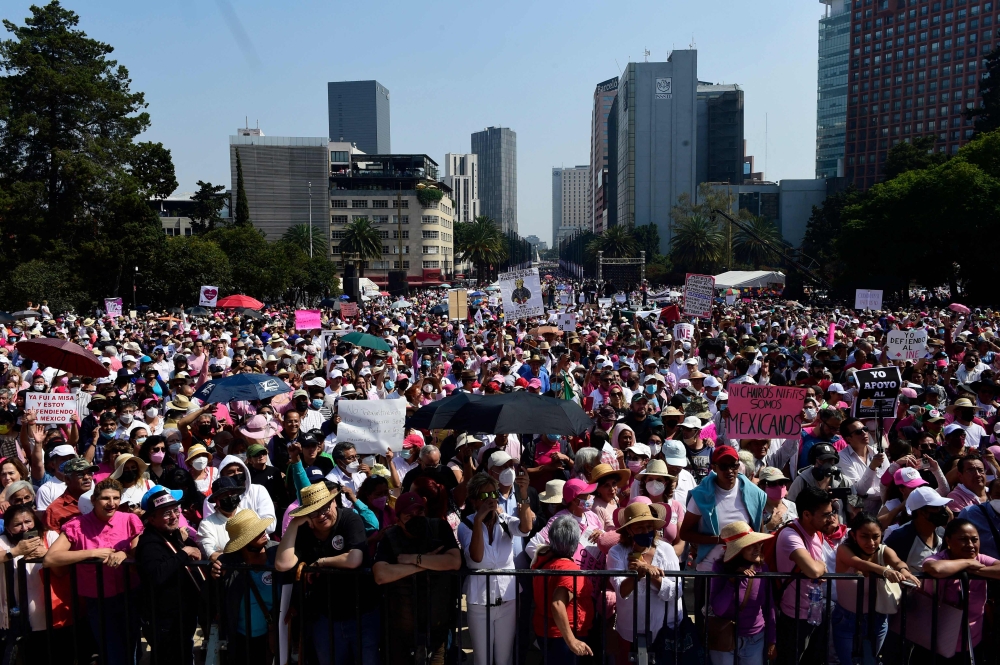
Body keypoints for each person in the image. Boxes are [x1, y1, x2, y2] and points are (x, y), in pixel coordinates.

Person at [275, 482, 379, 665]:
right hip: (325, 616)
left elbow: (354, 559)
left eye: (325, 507)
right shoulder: (304, 531)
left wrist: (321, 562)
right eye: (314, 512)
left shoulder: (350, 520)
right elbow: (282, 564)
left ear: (333, 502)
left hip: (361, 613)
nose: (322, 515)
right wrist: (294, 523)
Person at [44, 478, 143, 665]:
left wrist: (124, 554)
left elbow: (137, 552)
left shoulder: (130, 519)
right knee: (112, 650)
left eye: (116, 498)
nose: (111, 503)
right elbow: (51, 558)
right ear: (94, 501)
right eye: (105, 498)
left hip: (129, 594)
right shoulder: (77, 525)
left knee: (132, 648)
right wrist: (91, 553)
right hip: (97, 599)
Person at [372, 492, 462, 665]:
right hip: (401, 631)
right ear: (398, 520)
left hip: (437, 628)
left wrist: (414, 559)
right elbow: (380, 575)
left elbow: (454, 561)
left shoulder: (439, 528)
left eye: (419, 513)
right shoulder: (390, 538)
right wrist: (425, 563)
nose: (416, 518)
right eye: (409, 515)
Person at [457, 473, 533, 665]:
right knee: (483, 660)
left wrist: (523, 495)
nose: (490, 500)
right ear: (474, 500)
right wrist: (478, 521)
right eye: (484, 496)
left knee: (503, 659)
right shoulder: (466, 525)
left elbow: (525, 528)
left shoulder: (504, 520)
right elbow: (476, 558)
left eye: (493, 494)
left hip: (508, 599)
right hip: (479, 601)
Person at [609, 501, 694, 664]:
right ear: (629, 530)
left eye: (649, 527)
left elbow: (676, 591)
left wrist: (652, 574)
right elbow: (621, 590)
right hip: (631, 629)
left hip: (665, 631)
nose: (646, 531)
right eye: (640, 528)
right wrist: (637, 574)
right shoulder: (617, 553)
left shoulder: (666, 550)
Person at [832, 512, 917, 665]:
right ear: (853, 535)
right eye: (864, 536)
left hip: (878, 618)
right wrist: (884, 570)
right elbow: (857, 563)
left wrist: (904, 571)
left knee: (870, 661)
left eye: (876, 536)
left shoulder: (884, 551)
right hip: (846, 619)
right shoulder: (843, 550)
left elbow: (897, 562)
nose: (871, 542)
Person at [135, 485, 205, 665]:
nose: (174, 516)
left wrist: (191, 548)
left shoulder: (174, 534)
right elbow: (156, 574)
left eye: (176, 510)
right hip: (163, 620)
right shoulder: (149, 543)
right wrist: (184, 553)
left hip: (182, 615)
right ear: (151, 518)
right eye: (166, 513)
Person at [922, 518, 1000, 662]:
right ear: (949, 541)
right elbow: (935, 568)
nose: (970, 545)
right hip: (938, 638)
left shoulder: (980, 559)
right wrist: (968, 563)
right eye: (963, 539)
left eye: (974, 539)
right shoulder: (940, 558)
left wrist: (975, 571)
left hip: (972, 639)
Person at [680, 445, 766, 572]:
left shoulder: (755, 494)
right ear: (714, 467)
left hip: (743, 571)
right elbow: (685, 533)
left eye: (734, 465)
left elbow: (759, 532)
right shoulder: (701, 496)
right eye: (723, 466)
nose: (730, 470)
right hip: (709, 570)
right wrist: (719, 540)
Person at [708, 521, 777, 665]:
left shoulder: (762, 568)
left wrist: (772, 640)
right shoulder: (719, 567)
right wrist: (732, 581)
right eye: (751, 545)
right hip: (724, 638)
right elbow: (718, 609)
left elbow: (769, 606)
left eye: (758, 543)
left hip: (755, 639)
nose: (758, 548)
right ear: (738, 550)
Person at [215, 510, 278, 665]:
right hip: (242, 639)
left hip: (276, 636)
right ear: (243, 542)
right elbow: (212, 599)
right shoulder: (227, 563)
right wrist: (213, 572)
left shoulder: (277, 553)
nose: (263, 532)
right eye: (255, 532)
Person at [530, 514, 594, 665]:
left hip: (549, 632)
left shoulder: (544, 559)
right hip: (563, 636)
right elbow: (557, 604)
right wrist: (572, 641)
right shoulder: (569, 568)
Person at [884, 486, 951, 570]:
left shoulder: (942, 533)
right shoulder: (900, 537)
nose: (943, 511)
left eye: (942, 507)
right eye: (936, 507)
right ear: (921, 512)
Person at [45, 456, 98, 533]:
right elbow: (51, 540)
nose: (87, 477)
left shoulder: (99, 501)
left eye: (89, 473)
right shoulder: (54, 510)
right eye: (80, 474)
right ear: (67, 479)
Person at [198, 476, 245, 559]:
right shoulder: (207, 525)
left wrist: (224, 553)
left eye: (233, 493)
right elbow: (212, 555)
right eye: (224, 495)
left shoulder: (248, 515)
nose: (230, 497)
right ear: (216, 500)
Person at [758, 467, 797, 534]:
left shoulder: (792, 505)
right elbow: (754, 537)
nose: (779, 487)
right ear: (762, 486)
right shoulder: (758, 510)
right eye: (772, 483)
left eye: (781, 482)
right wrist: (769, 526)